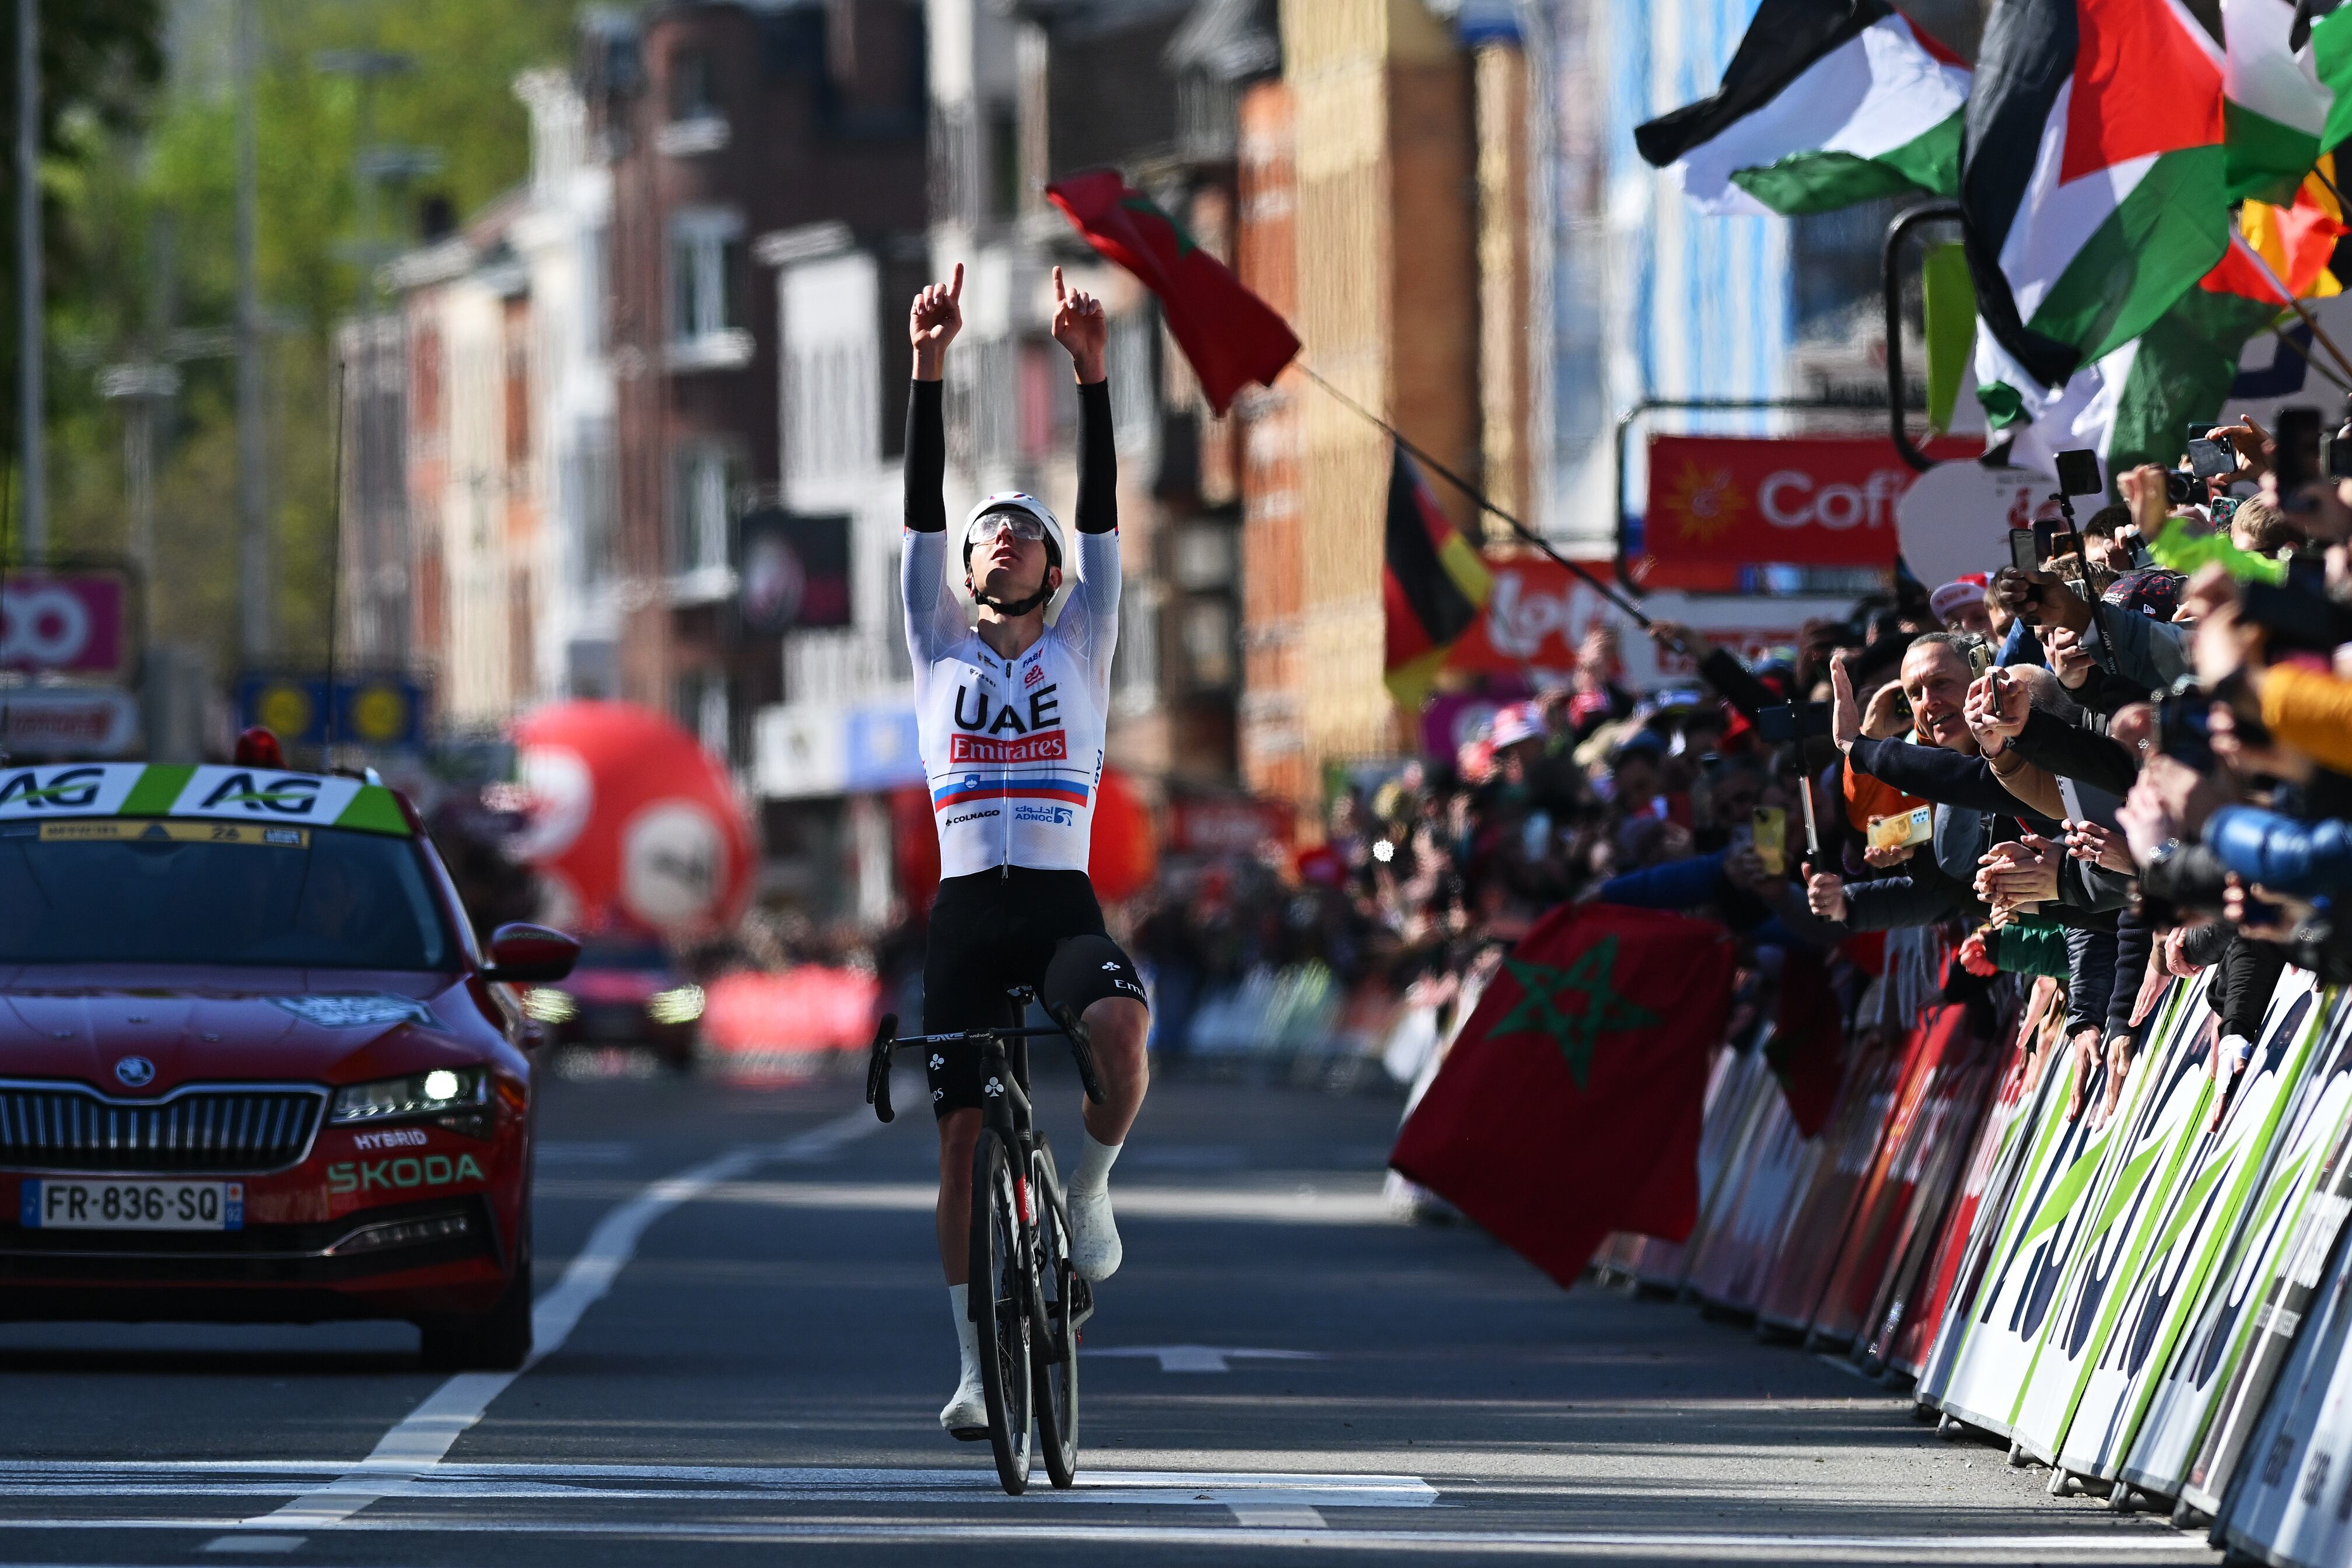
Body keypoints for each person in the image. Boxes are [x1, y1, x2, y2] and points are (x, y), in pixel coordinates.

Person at [902, 262, 1153, 1440]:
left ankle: (1091, 1202)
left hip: (1056, 900)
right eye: (986, 533)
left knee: (1118, 1032)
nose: (1002, 538)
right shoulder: (934, 647)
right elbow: (918, 505)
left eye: (1023, 533)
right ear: (960, 575)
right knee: (960, 1140)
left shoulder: (1083, 644)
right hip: (965, 910)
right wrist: (928, 367)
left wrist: (1093, 375)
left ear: (1054, 576)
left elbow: (1103, 514)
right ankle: (968, 1367)